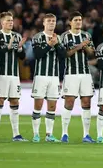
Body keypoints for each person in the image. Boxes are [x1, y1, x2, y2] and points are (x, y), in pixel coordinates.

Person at [0, 12, 27, 141]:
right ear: (2, 22)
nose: (11, 22)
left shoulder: (17, 36)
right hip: (1, 74)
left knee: (15, 101)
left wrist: (20, 48)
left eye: (12, 20)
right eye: (8, 20)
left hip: (14, 75)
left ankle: (16, 134)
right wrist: (8, 47)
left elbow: (22, 57)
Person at [60, 11, 96, 143]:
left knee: (86, 102)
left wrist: (86, 47)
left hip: (85, 73)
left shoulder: (87, 35)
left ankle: (86, 134)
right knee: (69, 102)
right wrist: (79, 47)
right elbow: (63, 54)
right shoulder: (64, 36)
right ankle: (64, 134)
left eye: (80, 20)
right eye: (76, 20)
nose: (78, 22)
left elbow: (92, 54)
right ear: (70, 22)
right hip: (71, 73)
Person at [31, 13, 67, 142]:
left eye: (53, 21)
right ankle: (36, 134)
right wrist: (49, 45)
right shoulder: (37, 37)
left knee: (52, 106)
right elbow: (37, 55)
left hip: (54, 77)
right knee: (38, 105)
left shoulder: (59, 38)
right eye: (49, 21)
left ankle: (49, 135)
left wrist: (56, 44)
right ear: (44, 23)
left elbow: (63, 56)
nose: (51, 23)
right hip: (40, 76)